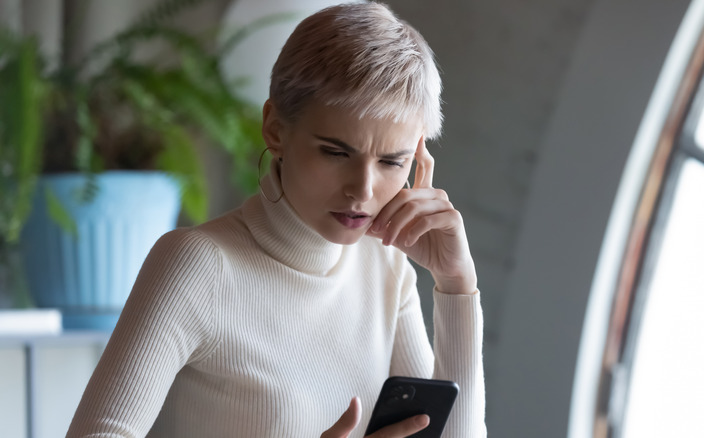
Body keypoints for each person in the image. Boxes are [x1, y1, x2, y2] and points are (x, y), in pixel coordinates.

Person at [66, 2, 486, 437]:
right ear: (275, 129)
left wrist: (456, 284)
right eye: (336, 152)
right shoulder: (197, 265)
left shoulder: (386, 266)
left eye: (392, 162)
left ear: (418, 159)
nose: (363, 191)